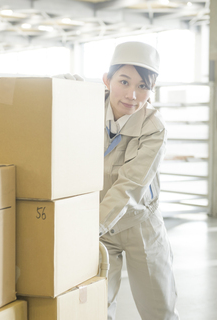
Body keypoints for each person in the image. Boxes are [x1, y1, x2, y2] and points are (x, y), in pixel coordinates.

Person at [99, 41, 179, 320]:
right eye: (124, 81)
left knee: (159, 310)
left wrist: (92, 226)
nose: (132, 95)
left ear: (152, 90)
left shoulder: (153, 126)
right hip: (100, 230)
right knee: (95, 308)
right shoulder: (84, 109)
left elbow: (130, 185)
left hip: (140, 224)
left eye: (143, 86)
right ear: (107, 80)